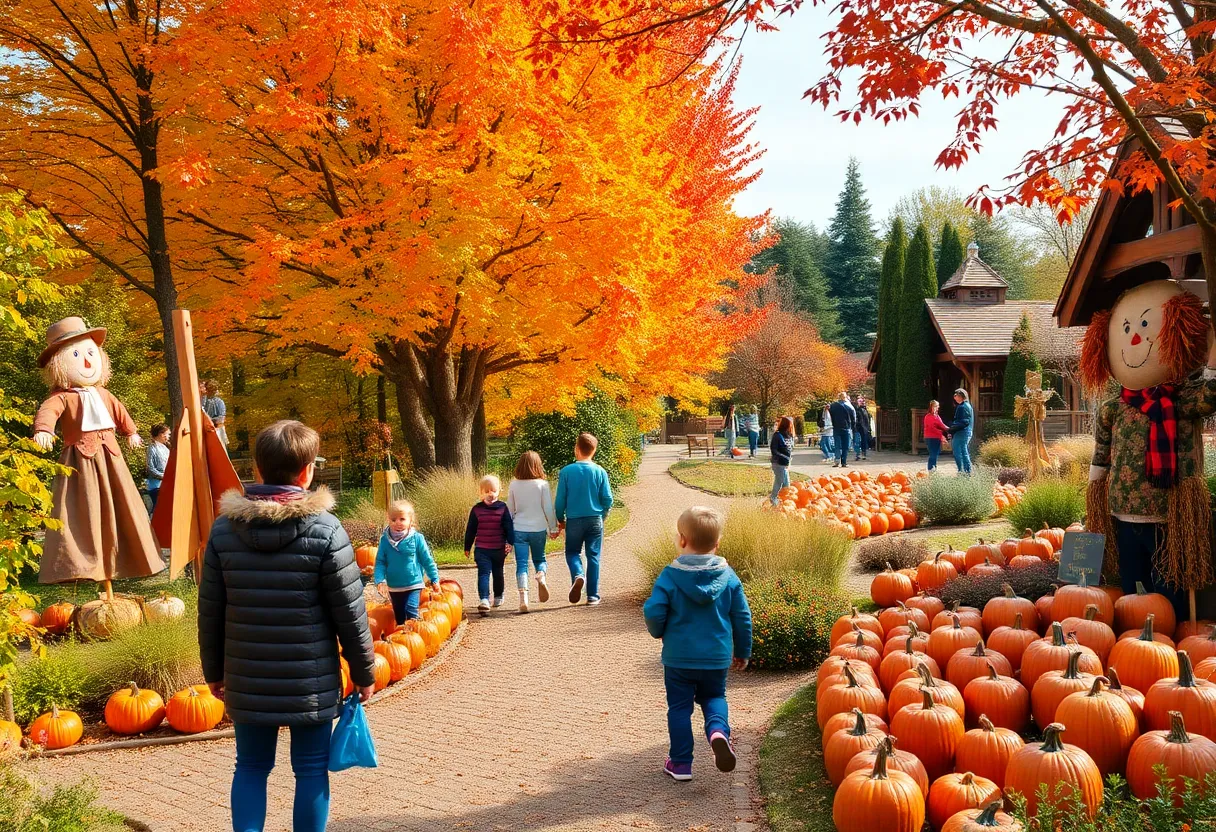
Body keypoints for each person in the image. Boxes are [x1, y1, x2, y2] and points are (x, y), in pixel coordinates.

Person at [198, 419, 375, 832]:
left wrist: (214, 674)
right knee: (311, 769)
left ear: (256, 470)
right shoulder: (326, 530)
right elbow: (350, 612)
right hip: (308, 681)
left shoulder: (224, 531)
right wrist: (364, 672)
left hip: (248, 677)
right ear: (308, 471)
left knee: (251, 768)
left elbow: (210, 612)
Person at [643, 506, 752, 781]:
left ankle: (680, 763)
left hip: (679, 657)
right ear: (717, 544)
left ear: (681, 540)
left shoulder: (670, 575)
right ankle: (717, 732)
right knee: (714, 697)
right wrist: (742, 651)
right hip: (716, 657)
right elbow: (742, 616)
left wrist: (658, 631)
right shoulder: (728, 577)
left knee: (679, 708)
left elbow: (654, 611)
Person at [555, 432, 614, 606]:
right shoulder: (600, 471)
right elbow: (608, 499)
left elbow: (560, 500)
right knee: (593, 555)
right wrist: (603, 516)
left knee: (572, 552)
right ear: (594, 450)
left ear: (576, 449)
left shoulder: (566, 472)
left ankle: (578, 574)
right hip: (595, 519)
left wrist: (560, 518)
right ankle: (593, 595)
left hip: (574, 520)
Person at [506, 450, 559, 613]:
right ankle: (541, 575)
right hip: (538, 528)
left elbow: (509, 510)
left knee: (521, 564)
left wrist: (506, 532)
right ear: (538, 465)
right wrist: (553, 527)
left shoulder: (514, 484)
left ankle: (524, 599)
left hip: (519, 529)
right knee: (539, 558)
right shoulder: (542, 484)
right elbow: (548, 508)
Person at [374, 500, 441, 625]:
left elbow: (427, 560)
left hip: (414, 584)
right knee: (399, 617)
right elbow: (380, 562)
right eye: (393, 520)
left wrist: (434, 579)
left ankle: (415, 637)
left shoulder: (416, 538)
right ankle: (402, 637)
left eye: (402, 519)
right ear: (388, 520)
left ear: (411, 520)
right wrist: (380, 581)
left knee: (411, 612)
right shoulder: (385, 540)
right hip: (394, 587)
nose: (397, 523)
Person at [463, 474, 515, 614]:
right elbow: (471, 529)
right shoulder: (476, 510)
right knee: (483, 573)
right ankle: (484, 599)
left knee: (498, 573)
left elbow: (508, 526)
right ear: (480, 493)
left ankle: (498, 596)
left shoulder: (503, 508)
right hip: (482, 549)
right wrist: (467, 546)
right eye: (486, 491)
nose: (490, 494)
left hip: (498, 548)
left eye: (493, 490)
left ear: (499, 491)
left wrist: (510, 542)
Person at [768, 416, 794, 504]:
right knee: (780, 482)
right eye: (791, 424)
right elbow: (773, 449)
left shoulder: (789, 435)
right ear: (787, 424)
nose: (792, 426)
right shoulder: (777, 435)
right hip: (778, 463)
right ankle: (774, 498)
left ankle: (783, 501)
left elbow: (789, 449)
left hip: (785, 464)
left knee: (786, 484)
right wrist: (783, 457)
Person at [949, 388, 974, 474]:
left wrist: (951, 430)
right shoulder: (967, 405)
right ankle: (966, 472)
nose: (954, 397)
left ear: (961, 396)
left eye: (956, 395)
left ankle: (963, 472)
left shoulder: (963, 407)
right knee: (963, 452)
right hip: (965, 432)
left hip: (962, 433)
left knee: (959, 452)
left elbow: (964, 422)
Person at [145, 423, 170, 511]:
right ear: (161, 434)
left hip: (166, 484)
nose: (168, 437)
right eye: (167, 434)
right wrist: (164, 477)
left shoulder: (165, 448)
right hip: (156, 486)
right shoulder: (152, 448)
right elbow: (150, 468)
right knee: (158, 509)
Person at [827, 392, 855, 468]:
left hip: (836, 428)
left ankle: (836, 461)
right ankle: (844, 462)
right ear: (845, 397)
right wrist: (852, 426)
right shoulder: (849, 406)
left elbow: (830, 415)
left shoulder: (833, 406)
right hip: (846, 428)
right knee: (845, 446)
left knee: (837, 445)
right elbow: (853, 418)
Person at [923, 400, 951, 471]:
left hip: (937, 437)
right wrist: (941, 433)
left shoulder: (937, 416)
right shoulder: (928, 416)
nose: (937, 408)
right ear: (931, 407)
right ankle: (931, 470)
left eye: (937, 406)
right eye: (935, 406)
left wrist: (950, 429)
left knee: (936, 454)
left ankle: (933, 469)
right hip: (930, 437)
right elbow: (931, 428)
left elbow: (942, 425)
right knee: (933, 454)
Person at [201, 380, 229, 449]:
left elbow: (221, 419)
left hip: (216, 430)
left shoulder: (219, 402)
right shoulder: (203, 400)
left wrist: (208, 420)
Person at [853, 396, 872, 461]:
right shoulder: (857, 410)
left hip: (862, 428)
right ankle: (859, 454)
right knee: (858, 441)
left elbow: (867, 420)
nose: (861, 402)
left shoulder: (864, 410)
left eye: (862, 401)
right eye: (859, 401)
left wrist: (868, 428)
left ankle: (861, 454)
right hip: (860, 428)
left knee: (861, 441)